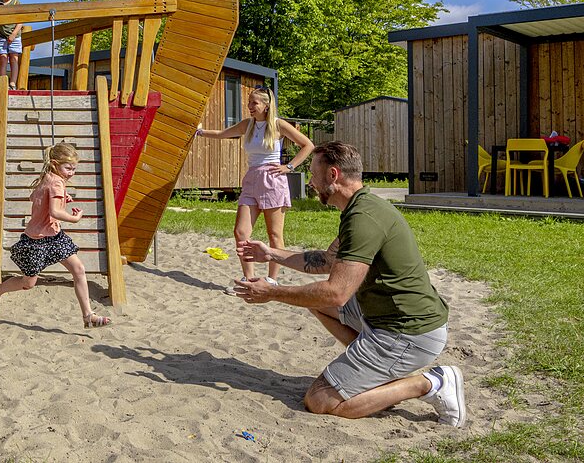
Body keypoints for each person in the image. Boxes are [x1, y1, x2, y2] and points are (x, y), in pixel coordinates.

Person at [234, 141, 465, 426]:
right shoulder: (360, 207)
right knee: (312, 301)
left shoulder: (363, 218)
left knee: (321, 401)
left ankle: (430, 384)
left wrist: (272, 292)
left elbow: (336, 293)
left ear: (333, 175)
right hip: (388, 318)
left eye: (314, 173)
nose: (311, 182)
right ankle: (376, 367)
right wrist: (271, 254)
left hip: (408, 332)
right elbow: (328, 260)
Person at [0, 142, 111, 328]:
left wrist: (61, 197)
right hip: (36, 241)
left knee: (79, 270)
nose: (71, 172)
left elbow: (36, 198)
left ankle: (88, 315)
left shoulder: (49, 178)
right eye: (68, 168)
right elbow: (55, 212)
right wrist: (75, 219)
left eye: (74, 168)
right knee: (28, 283)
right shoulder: (56, 182)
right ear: (54, 163)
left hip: (54, 237)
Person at [196, 85, 313, 284]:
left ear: (266, 106)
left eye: (254, 103)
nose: (249, 106)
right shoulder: (247, 125)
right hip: (251, 180)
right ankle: (248, 278)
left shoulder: (278, 125)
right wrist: (200, 132)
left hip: (272, 180)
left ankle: (272, 280)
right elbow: (223, 134)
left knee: (274, 234)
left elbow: (308, 145)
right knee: (241, 232)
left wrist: (289, 167)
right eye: (249, 102)